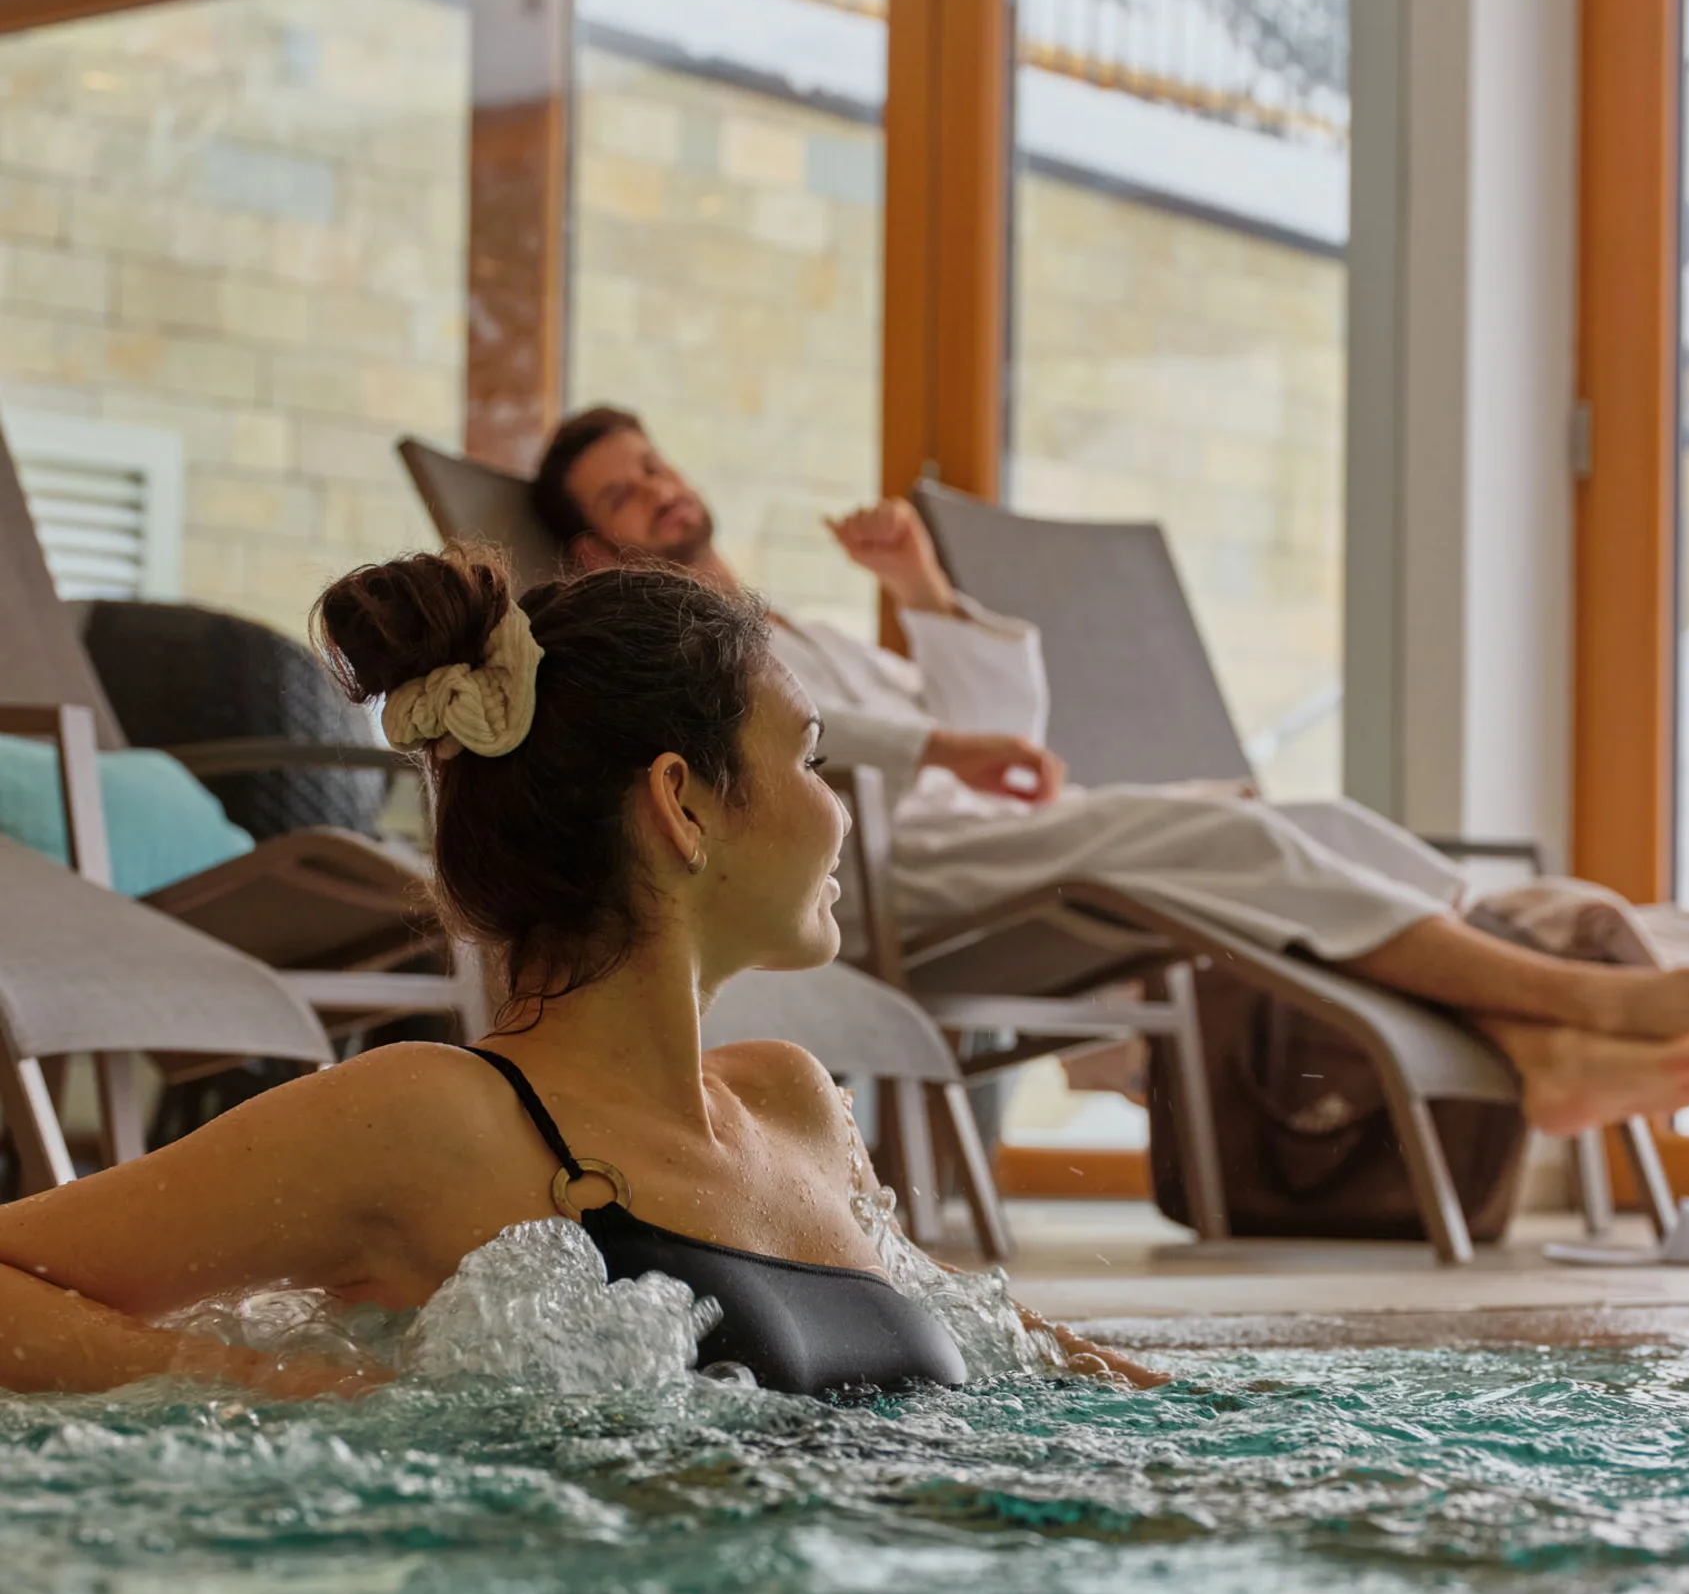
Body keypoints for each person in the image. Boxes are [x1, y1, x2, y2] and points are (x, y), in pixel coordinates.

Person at [0, 554, 1158, 1397]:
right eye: (811, 758)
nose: (840, 810)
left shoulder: (794, 1104)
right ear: (681, 803)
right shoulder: (433, 1120)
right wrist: (291, 1394)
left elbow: (1012, 1355)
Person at [529, 407, 1689, 1139]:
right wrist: (944, 748)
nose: (659, 492)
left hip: (971, 827)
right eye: (623, 494)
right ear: (591, 546)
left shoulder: (794, 625)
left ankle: (1534, 1041)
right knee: (1248, 846)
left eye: (657, 468)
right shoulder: (667, 655)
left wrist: (922, 592)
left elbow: (1001, 718)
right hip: (896, 869)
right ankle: (1584, 1003)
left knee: (1310, 817)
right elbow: (782, 755)